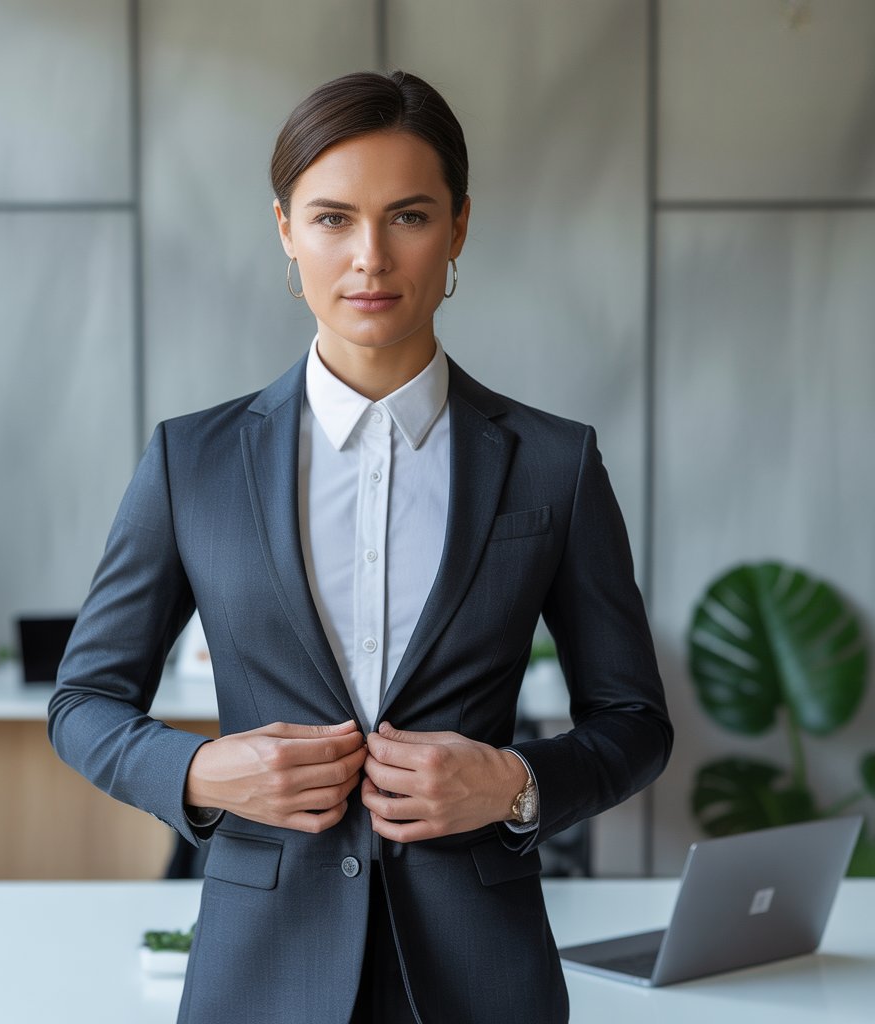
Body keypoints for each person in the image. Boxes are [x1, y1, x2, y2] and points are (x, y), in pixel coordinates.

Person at [47, 69, 672, 1024]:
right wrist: (202, 773)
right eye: (333, 218)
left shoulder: (556, 464)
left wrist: (517, 783)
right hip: (259, 975)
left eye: (408, 216)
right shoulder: (193, 461)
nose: (369, 257)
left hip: (484, 979)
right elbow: (84, 702)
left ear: (459, 227)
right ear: (286, 234)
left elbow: (634, 718)